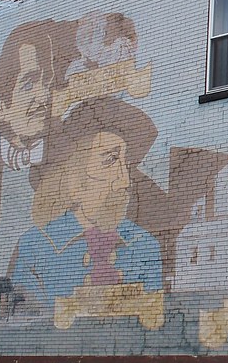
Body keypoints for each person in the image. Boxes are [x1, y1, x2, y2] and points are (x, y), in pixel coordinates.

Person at [10, 97, 163, 310]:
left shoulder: (144, 245)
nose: (124, 181)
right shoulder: (35, 246)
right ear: (74, 176)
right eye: (110, 160)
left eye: (126, 165)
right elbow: (26, 321)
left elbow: (153, 319)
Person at [0, 20, 73, 266]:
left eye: (46, 83)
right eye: (28, 84)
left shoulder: (65, 154)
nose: (43, 96)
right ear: (1, 107)